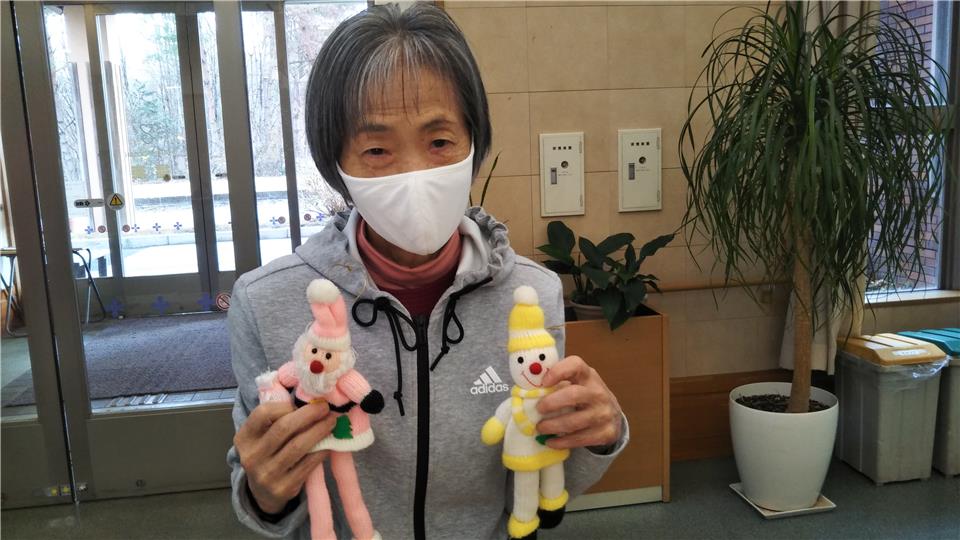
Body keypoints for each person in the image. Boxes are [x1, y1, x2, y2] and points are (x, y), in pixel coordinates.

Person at [227, 4, 628, 539]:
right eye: (376, 149)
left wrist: (599, 434)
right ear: (336, 164)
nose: (414, 173)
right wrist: (264, 492)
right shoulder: (266, 303)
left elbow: (534, 476)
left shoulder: (531, 294)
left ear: (473, 142)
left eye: (439, 142)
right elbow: (264, 495)